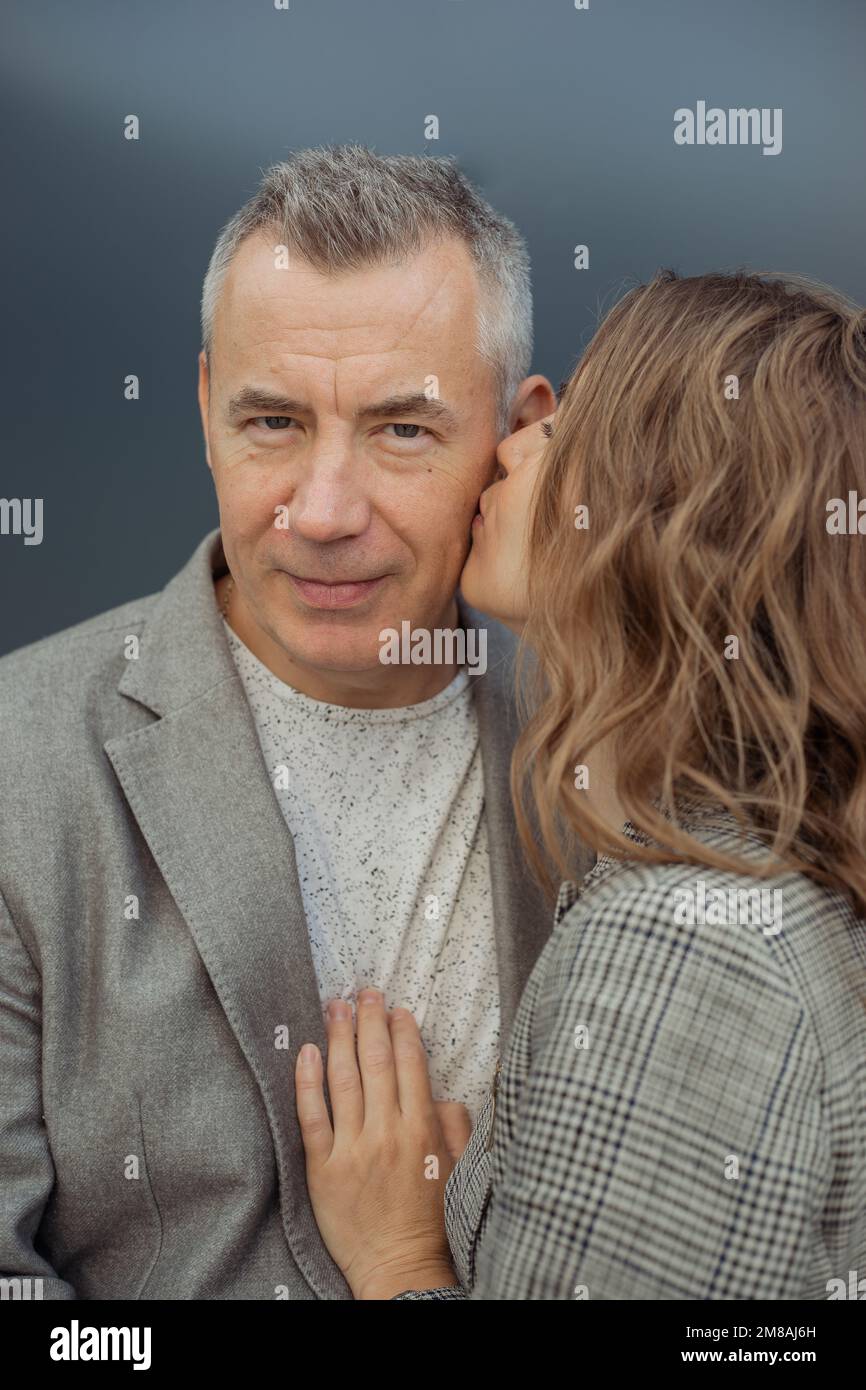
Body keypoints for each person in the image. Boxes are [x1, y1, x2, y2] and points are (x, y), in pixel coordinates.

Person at [0, 146, 581, 1299]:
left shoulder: (621, 758)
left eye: (401, 431)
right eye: (271, 422)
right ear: (206, 409)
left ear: (518, 438)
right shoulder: (17, 763)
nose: (323, 512)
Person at [295, 269, 866, 1300]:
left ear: (672, 517)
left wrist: (401, 1262)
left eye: (569, 434)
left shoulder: (683, 942)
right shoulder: (765, 880)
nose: (514, 448)